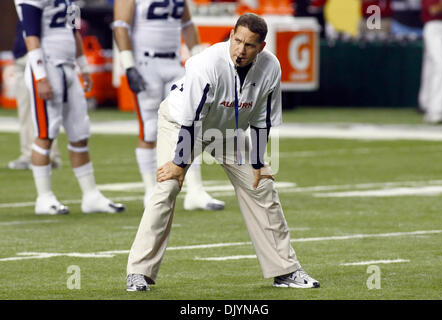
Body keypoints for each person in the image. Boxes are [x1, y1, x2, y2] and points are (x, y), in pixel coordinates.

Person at [125, 13, 320, 292]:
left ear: (261, 47)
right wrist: (179, 165)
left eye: (249, 45)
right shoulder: (207, 64)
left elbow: (262, 120)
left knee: (261, 186)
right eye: (237, 40)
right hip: (182, 123)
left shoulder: (271, 67)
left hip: (227, 128)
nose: (241, 50)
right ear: (231, 35)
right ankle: (138, 272)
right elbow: (191, 120)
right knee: (167, 186)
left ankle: (285, 270)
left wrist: (258, 163)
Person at [14, 0, 125, 215]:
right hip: (47, 66)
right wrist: (40, 77)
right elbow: (31, 35)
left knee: (80, 133)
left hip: (68, 67)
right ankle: (44, 197)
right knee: (46, 134)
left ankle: (91, 195)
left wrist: (83, 68)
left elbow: (74, 32)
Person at [112, 0, 225, 211]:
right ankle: (150, 191)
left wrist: (199, 58)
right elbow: (121, 26)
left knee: (190, 123)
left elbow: (188, 23)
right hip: (145, 64)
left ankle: (195, 191)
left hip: (174, 64)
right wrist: (128, 66)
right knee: (149, 129)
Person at [8, 20, 61, 171]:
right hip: (28, 54)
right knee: (27, 112)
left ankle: (48, 155)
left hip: (48, 56)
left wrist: (81, 61)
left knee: (46, 113)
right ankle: (31, 155)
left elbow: (75, 23)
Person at [418, 0, 442, 124]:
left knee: (431, 67)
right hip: (435, 27)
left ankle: (428, 104)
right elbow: (434, 10)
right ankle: (436, 110)